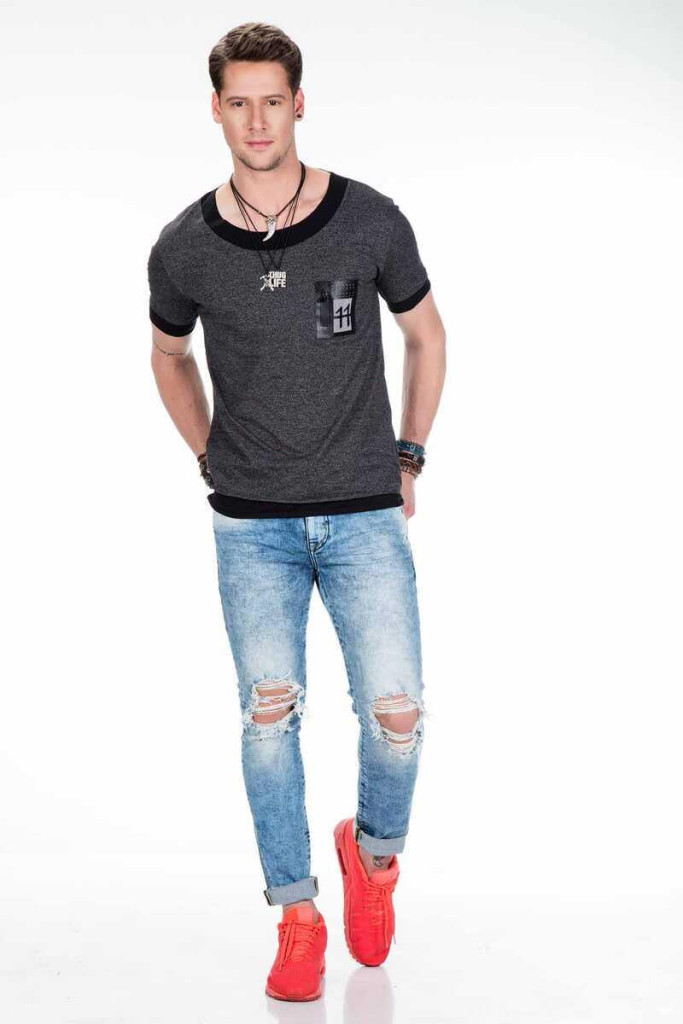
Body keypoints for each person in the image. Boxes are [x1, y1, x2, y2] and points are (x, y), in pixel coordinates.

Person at [147, 21, 446, 1002]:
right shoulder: (185, 247)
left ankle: (374, 855)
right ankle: (297, 916)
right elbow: (167, 355)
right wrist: (207, 453)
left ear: (299, 103)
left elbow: (425, 334)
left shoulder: (369, 220)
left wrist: (408, 451)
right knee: (268, 717)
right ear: (215, 109)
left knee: (397, 715)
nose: (256, 120)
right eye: (238, 102)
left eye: (271, 100)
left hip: (362, 511)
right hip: (253, 525)